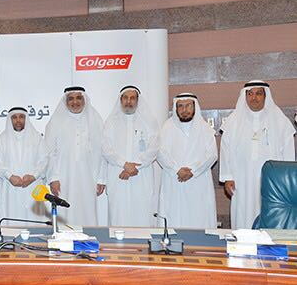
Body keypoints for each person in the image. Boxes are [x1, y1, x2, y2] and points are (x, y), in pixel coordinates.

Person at [219, 80, 296, 229]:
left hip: (272, 183)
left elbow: (288, 152)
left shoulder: (280, 121)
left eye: (258, 93)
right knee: (242, 217)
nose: (254, 98)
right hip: (241, 179)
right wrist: (227, 177)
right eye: (250, 94)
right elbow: (225, 149)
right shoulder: (233, 121)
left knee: (271, 218)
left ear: (265, 96)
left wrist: (286, 181)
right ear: (245, 96)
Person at [45, 86, 106, 226]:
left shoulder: (95, 121)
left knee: (88, 213)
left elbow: (103, 151)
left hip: (89, 178)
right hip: (63, 178)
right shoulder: (56, 122)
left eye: (79, 98)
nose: (75, 102)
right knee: (66, 210)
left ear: (84, 100)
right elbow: (49, 153)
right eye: (71, 99)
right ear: (65, 102)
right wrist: (53, 178)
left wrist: (101, 178)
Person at [102, 85, 160, 227]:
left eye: (132, 98)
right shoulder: (111, 122)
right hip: (118, 175)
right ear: (121, 100)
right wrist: (124, 164)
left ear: (137, 101)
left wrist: (135, 166)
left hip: (141, 176)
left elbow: (154, 148)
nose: (129, 101)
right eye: (126, 98)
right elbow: (106, 148)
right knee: (118, 216)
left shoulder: (149, 122)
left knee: (142, 214)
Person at [158, 93, 217, 229]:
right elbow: (160, 153)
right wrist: (176, 170)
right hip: (173, 181)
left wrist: (193, 171)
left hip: (198, 182)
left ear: (194, 107)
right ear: (176, 108)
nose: (184, 110)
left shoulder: (205, 129)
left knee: (199, 217)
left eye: (188, 106)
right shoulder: (166, 127)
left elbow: (212, 155)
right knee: (174, 217)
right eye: (180, 106)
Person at [0, 107, 49, 222]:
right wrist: (10, 176)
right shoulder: (2, 139)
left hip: (32, 187)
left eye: (21, 117)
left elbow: (44, 160)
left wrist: (33, 176)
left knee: (34, 221)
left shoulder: (37, 138)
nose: (18, 120)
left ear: (26, 119)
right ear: (10, 120)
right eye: (14, 117)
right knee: (11, 219)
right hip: (10, 188)